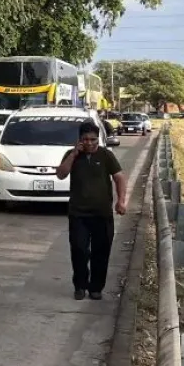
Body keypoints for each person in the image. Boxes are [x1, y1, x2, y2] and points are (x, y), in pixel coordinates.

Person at [56, 121, 128, 301]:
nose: (89, 143)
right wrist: (73, 154)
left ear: (99, 139)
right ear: (79, 140)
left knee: (101, 252)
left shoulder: (106, 155)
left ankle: (96, 288)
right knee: (79, 250)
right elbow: (61, 173)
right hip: (78, 214)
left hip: (102, 214)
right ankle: (80, 286)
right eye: (85, 139)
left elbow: (119, 178)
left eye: (93, 140)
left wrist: (121, 201)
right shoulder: (72, 155)